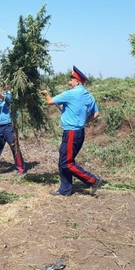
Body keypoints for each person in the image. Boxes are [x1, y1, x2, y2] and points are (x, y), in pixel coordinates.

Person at [41, 66, 103, 196]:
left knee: (67, 163)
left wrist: (45, 93)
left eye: (71, 79)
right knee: (63, 160)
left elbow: (50, 101)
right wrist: (83, 121)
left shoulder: (70, 94)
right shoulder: (88, 96)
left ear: (77, 82)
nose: (69, 82)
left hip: (71, 133)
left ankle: (92, 180)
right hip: (79, 132)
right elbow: (96, 113)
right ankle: (65, 189)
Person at [0, 85, 26, 175]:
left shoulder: (11, 95)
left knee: (14, 147)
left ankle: (21, 169)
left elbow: (5, 98)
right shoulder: (1, 97)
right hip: (0, 126)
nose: (3, 86)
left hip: (10, 126)